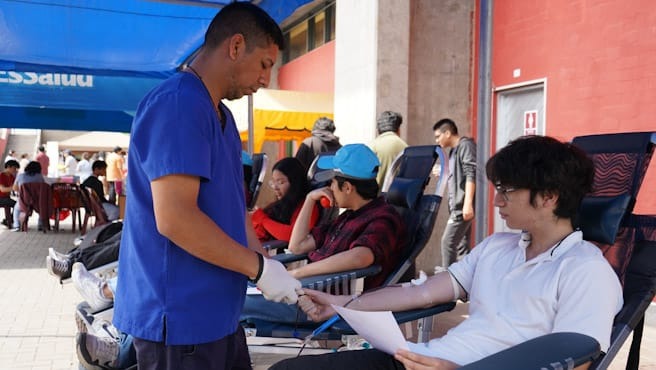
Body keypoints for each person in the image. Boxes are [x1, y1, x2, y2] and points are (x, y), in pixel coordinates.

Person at [271, 135, 624, 370]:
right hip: (420, 360)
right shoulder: (497, 248)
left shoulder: (585, 271)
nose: (497, 200)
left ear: (548, 197)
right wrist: (339, 305)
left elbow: (576, 361)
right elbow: (422, 292)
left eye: (507, 190)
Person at [112, 3, 301, 369]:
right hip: (181, 318)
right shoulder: (179, 104)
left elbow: (236, 210)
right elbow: (176, 218)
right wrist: (258, 269)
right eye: (264, 64)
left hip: (220, 315)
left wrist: (265, 266)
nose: (266, 80)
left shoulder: (223, 118)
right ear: (235, 47)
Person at [241, 144, 407, 325]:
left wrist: (297, 273)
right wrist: (310, 200)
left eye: (332, 183)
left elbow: (361, 257)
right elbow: (296, 246)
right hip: (304, 289)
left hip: (320, 303)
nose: (330, 188)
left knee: (235, 301)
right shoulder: (348, 216)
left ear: (348, 188)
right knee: (235, 290)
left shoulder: (382, 218)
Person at [433, 118, 477, 267]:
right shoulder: (454, 151)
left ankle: (448, 280)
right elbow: (459, 174)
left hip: (461, 206)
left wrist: (468, 204)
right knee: (461, 247)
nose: (437, 140)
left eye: (438, 136)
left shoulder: (465, 145)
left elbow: (471, 174)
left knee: (447, 243)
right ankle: (465, 284)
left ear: (447, 133)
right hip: (457, 206)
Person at [251, 157, 319, 242]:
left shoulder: (308, 207)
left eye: (281, 182)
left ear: (295, 183)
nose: (275, 187)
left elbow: (292, 234)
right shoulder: (283, 204)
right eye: (274, 182)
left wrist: (263, 220)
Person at [369, 110, 408, 187]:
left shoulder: (371, 147)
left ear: (378, 130)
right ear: (398, 129)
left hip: (377, 197)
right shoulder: (406, 148)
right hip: (400, 197)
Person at [11, 161, 46, 231]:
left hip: (24, 200)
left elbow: (14, 188)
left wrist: (23, 192)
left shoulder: (21, 176)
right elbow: (42, 187)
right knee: (42, 209)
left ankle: (16, 225)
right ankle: (40, 225)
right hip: (37, 200)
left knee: (16, 209)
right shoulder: (40, 177)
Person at [0, 160, 19, 228]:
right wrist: (13, 188)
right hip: (1, 198)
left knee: (18, 204)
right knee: (17, 205)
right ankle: (9, 220)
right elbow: (2, 189)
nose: (15, 170)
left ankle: (8, 220)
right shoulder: (1, 175)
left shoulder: (11, 176)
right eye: (14, 168)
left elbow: (16, 186)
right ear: (8, 167)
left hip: (6, 198)